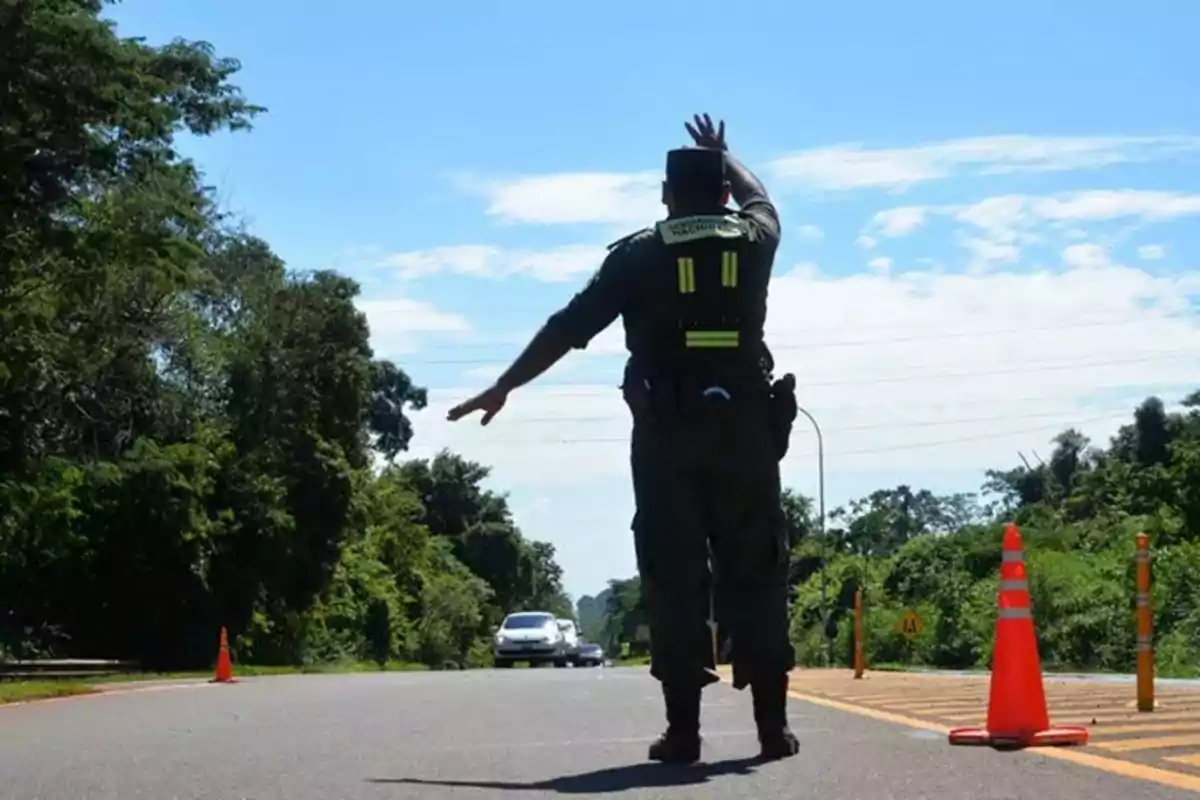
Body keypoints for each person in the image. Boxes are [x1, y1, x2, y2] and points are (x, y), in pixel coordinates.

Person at [446, 113, 800, 763]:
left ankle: (684, 734)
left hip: (667, 436)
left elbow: (567, 326)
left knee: (674, 574)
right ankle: (772, 731)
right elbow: (764, 199)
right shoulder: (753, 239)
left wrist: (505, 385)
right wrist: (726, 154)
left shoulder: (639, 256)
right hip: (746, 434)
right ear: (722, 193)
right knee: (757, 570)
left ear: (666, 197)